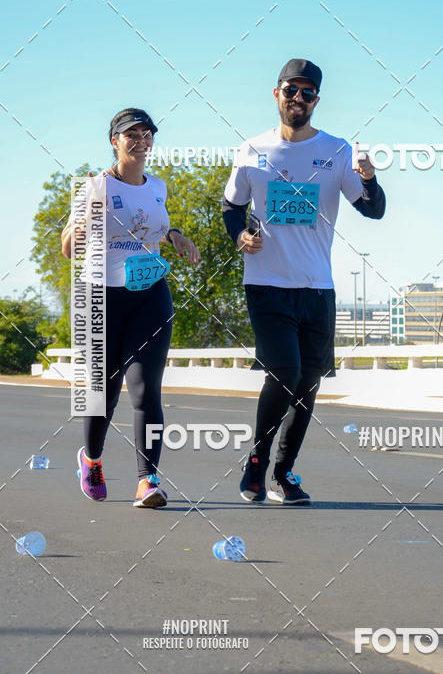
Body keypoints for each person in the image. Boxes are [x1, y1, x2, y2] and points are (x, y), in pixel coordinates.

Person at [222, 59, 386, 505]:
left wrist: (370, 179)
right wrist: (240, 235)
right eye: (291, 90)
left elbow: (372, 210)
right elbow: (232, 207)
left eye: (307, 93)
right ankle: (256, 463)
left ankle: (283, 473)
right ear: (276, 94)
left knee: (308, 383)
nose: (298, 98)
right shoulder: (252, 150)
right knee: (285, 372)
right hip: (267, 284)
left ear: (316, 100)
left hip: (317, 288)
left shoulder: (337, 151)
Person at [61, 108, 199, 508]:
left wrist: (174, 235)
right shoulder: (93, 186)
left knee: (145, 389)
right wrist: (88, 215)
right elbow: (69, 248)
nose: (141, 141)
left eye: (146, 134)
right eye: (131, 135)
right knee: (102, 392)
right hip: (100, 296)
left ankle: (147, 481)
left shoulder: (158, 187)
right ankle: (91, 460)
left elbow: (153, 227)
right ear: (115, 141)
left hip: (149, 293)